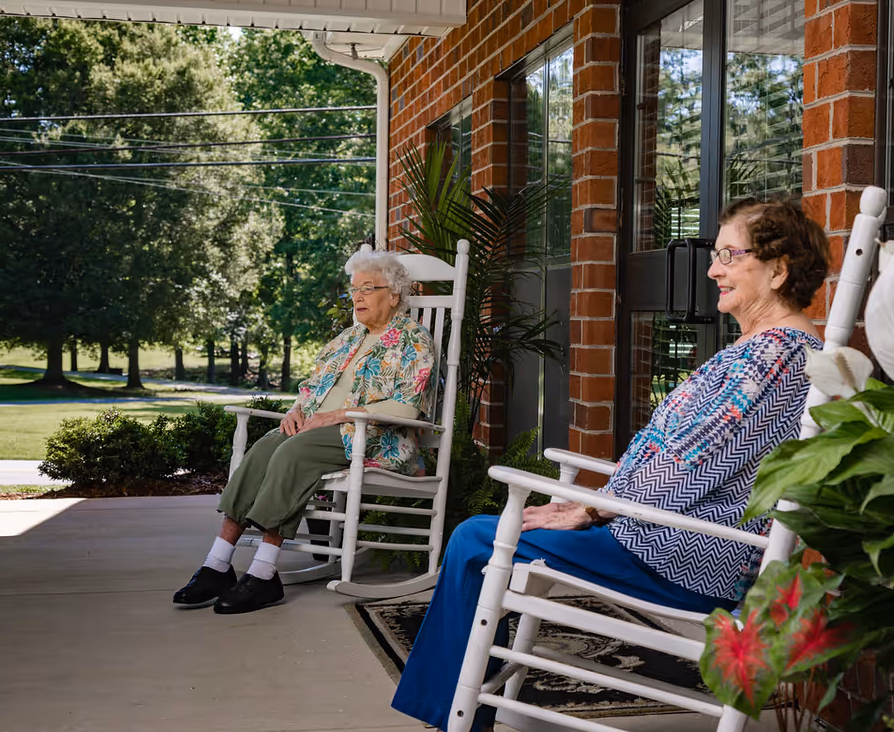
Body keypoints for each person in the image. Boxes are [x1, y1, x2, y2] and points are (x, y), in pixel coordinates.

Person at [391, 197, 831, 730]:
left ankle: (453, 716)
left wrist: (595, 510)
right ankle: (459, 706)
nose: (713, 269)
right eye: (716, 255)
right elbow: (686, 452)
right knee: (487, 535)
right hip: (670, 537)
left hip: (682, 553)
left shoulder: (772, 356)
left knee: (475, 539)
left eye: (729, 256)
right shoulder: (772, 350)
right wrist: (594, 501)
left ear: (778, 270)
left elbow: (691, 466)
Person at [173, 246, 436, 615]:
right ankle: (218, 564)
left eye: (367, 288)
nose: (357, 297)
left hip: (372, 439)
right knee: (264, 449)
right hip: (317, 429)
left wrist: (338, 415)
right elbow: (312, 388)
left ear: (393, 295)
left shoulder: (413, 339)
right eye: (353, 290)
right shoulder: (348, 338)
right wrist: (295, 411)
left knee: (292, 454)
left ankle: (264, 573)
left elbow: (407, 406)